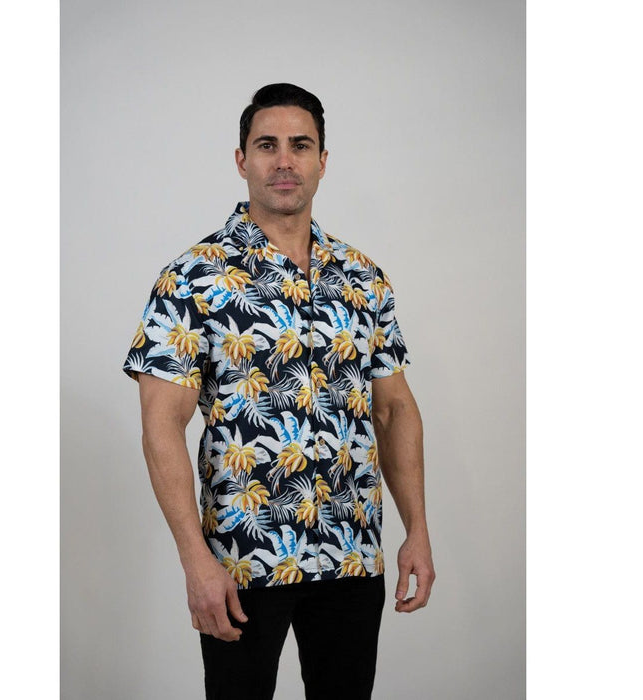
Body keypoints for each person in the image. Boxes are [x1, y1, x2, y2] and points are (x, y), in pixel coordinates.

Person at [123, 83, 435, 700]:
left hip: (352, 552)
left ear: (323, 160)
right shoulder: (192, 278)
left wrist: (417, 529)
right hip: (243, 560)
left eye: (300, 145)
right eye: (267, 145)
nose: (284, 160)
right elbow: (161, 425)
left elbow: (395, 409)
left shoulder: (364, 278)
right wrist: (195, 561)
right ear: (242, 159)